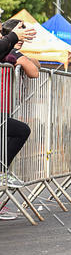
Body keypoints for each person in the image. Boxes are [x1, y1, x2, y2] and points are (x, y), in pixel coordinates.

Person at [0, 21, 37, 199]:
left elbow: (34, 64)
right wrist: (14, 41)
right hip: (2, 107)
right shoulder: (10, 52)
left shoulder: (10, 51)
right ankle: (1, 172)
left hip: (4, 108)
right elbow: (33, 70)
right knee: (21, 130)